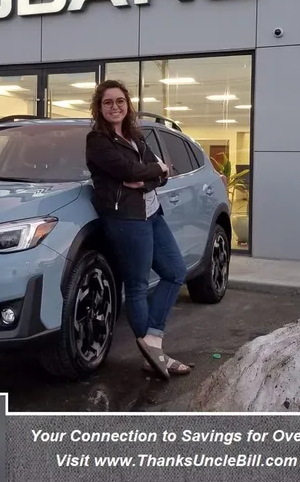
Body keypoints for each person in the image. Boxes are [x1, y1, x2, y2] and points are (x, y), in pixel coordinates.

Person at [84, 79, 190, 380]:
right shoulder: (97, 141)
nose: (115, 107)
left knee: (175, 271)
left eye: (120, 101)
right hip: (126, 219)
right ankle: (155, 355)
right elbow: (128, 171)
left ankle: (152, 339)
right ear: (99, 107)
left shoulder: (135, 135)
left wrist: (148, 178)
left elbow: (161, 171)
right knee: (138, 285)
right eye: (108, 102)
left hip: (152, 212)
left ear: (127, 104)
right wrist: (151, 172)